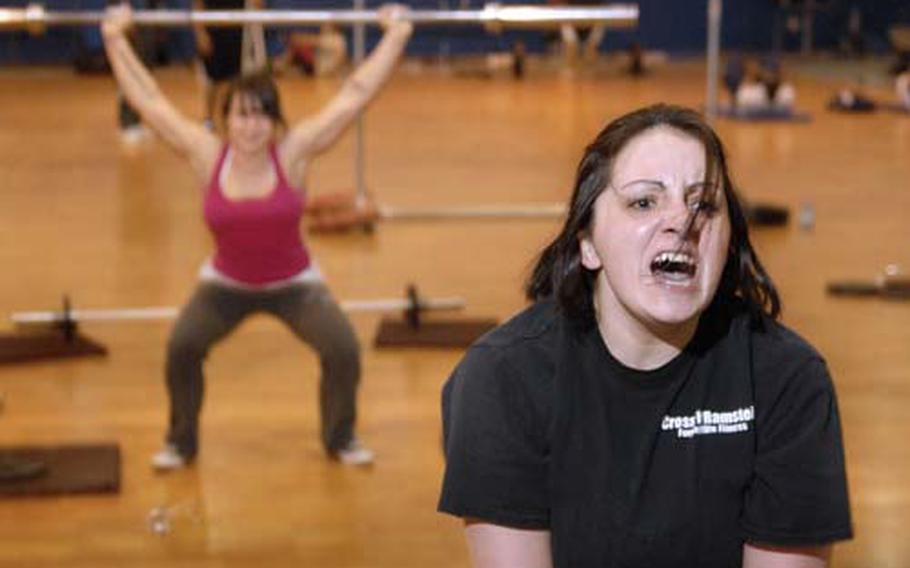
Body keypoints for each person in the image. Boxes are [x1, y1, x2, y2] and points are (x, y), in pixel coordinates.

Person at [438, 104, 852, 567]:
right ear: (588, 243)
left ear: (729, 240)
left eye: (705, 204)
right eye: (644, 201)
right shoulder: (503, 379)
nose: (683, 220)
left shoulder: (788, 381)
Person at [101, 3, 413, 470]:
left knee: (342, 349)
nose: (251, 127)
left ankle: (340, 437)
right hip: (224, 286)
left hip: (296, 285)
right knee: (182, 347)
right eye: (241, 116)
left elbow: (355, 93)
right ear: (224, 121)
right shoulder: (208, 155)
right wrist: (113, 38)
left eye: (261, 116)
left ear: (275, 121)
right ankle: (180, 442)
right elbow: (149, 100)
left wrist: (398, 34)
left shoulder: (293, 155)